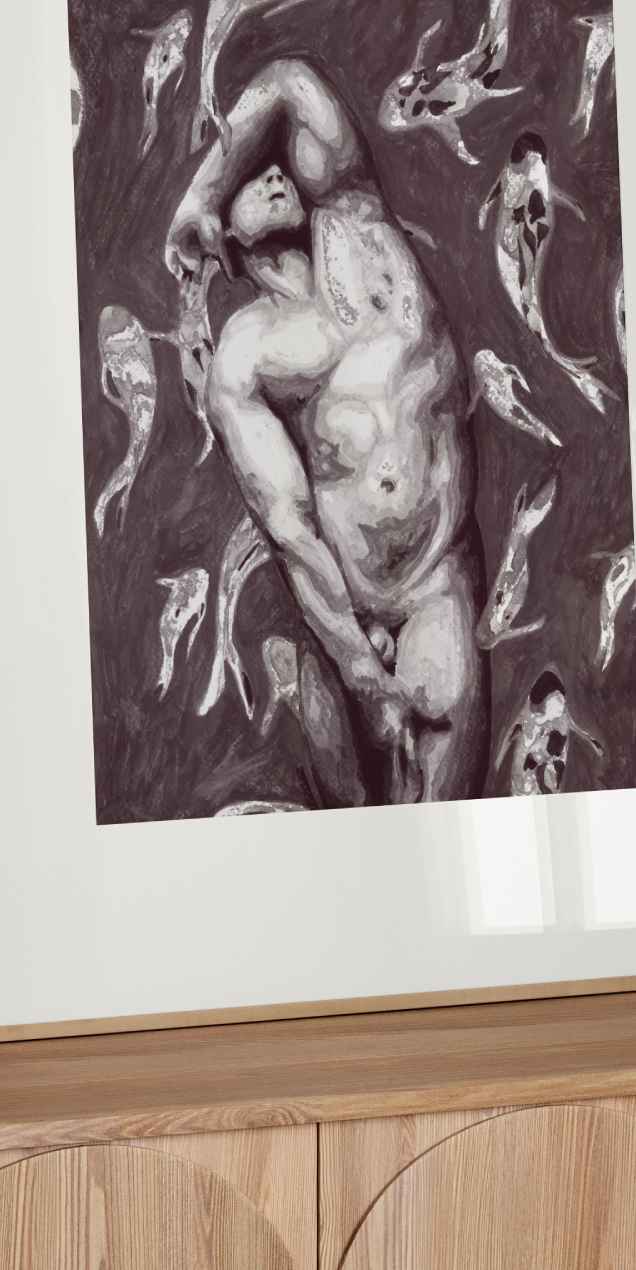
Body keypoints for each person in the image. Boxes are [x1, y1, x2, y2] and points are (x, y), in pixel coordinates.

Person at [164, 57, 487, 803]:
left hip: (437, 577)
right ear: (226, 243)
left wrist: (203, 190)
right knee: (354, 829)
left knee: (448, 819)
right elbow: (289, 527)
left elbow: (288, 81)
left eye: (277, 163)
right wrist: (361, 670)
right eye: (252, 175)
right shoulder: (245, 355)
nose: (274, 172)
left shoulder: (359, 227)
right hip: (347, 617)